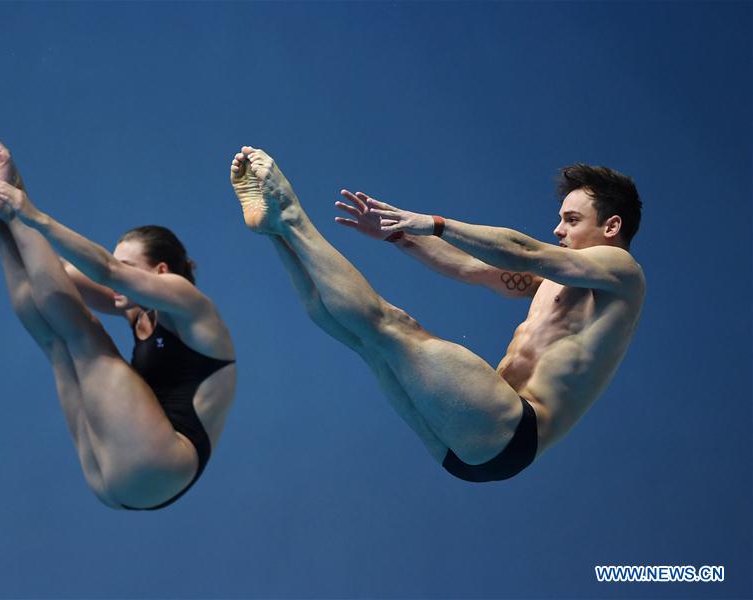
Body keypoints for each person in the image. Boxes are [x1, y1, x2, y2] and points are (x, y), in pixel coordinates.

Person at [229, 146, 644, 481]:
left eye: (571, 220)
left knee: (391, 327)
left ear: (611, 227)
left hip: (513, 429)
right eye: (560, 219)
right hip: (468, 440)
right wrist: (399, 235)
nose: (558, 229)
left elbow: (525, 251)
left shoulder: (622, 273)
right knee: (364, 341)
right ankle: (276, 232)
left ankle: (288, 213)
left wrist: (433, 223)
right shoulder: (555, 281)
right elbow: (470, 268)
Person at [0, 135, 236, 509]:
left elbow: (105, 270)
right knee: (55, 336)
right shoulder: (136, 308)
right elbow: (53, 275)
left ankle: (7, 201)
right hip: (117, 476)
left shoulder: (190, 304)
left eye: (129, 268)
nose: (116, 275)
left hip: (163, 461)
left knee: (82, 334)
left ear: (160, 271)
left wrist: (27, 206)